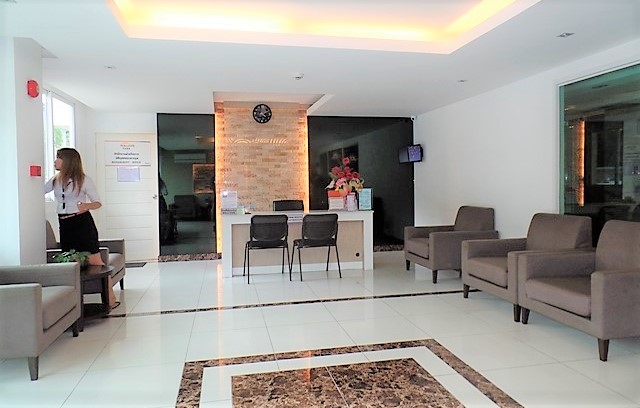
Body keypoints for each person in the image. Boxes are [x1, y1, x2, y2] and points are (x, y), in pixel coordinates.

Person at [44, 148, 118, 308]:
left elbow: (97, 202)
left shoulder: (84, 180)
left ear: (68, 161)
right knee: (70, 262)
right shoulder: (55, 180)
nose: (55, 161)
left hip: (82, 223)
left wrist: (85, 206)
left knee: (95, 261)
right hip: (65, 224)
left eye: (58, 158)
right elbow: (39, 190)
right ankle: (75, 303)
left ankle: (110, 298)